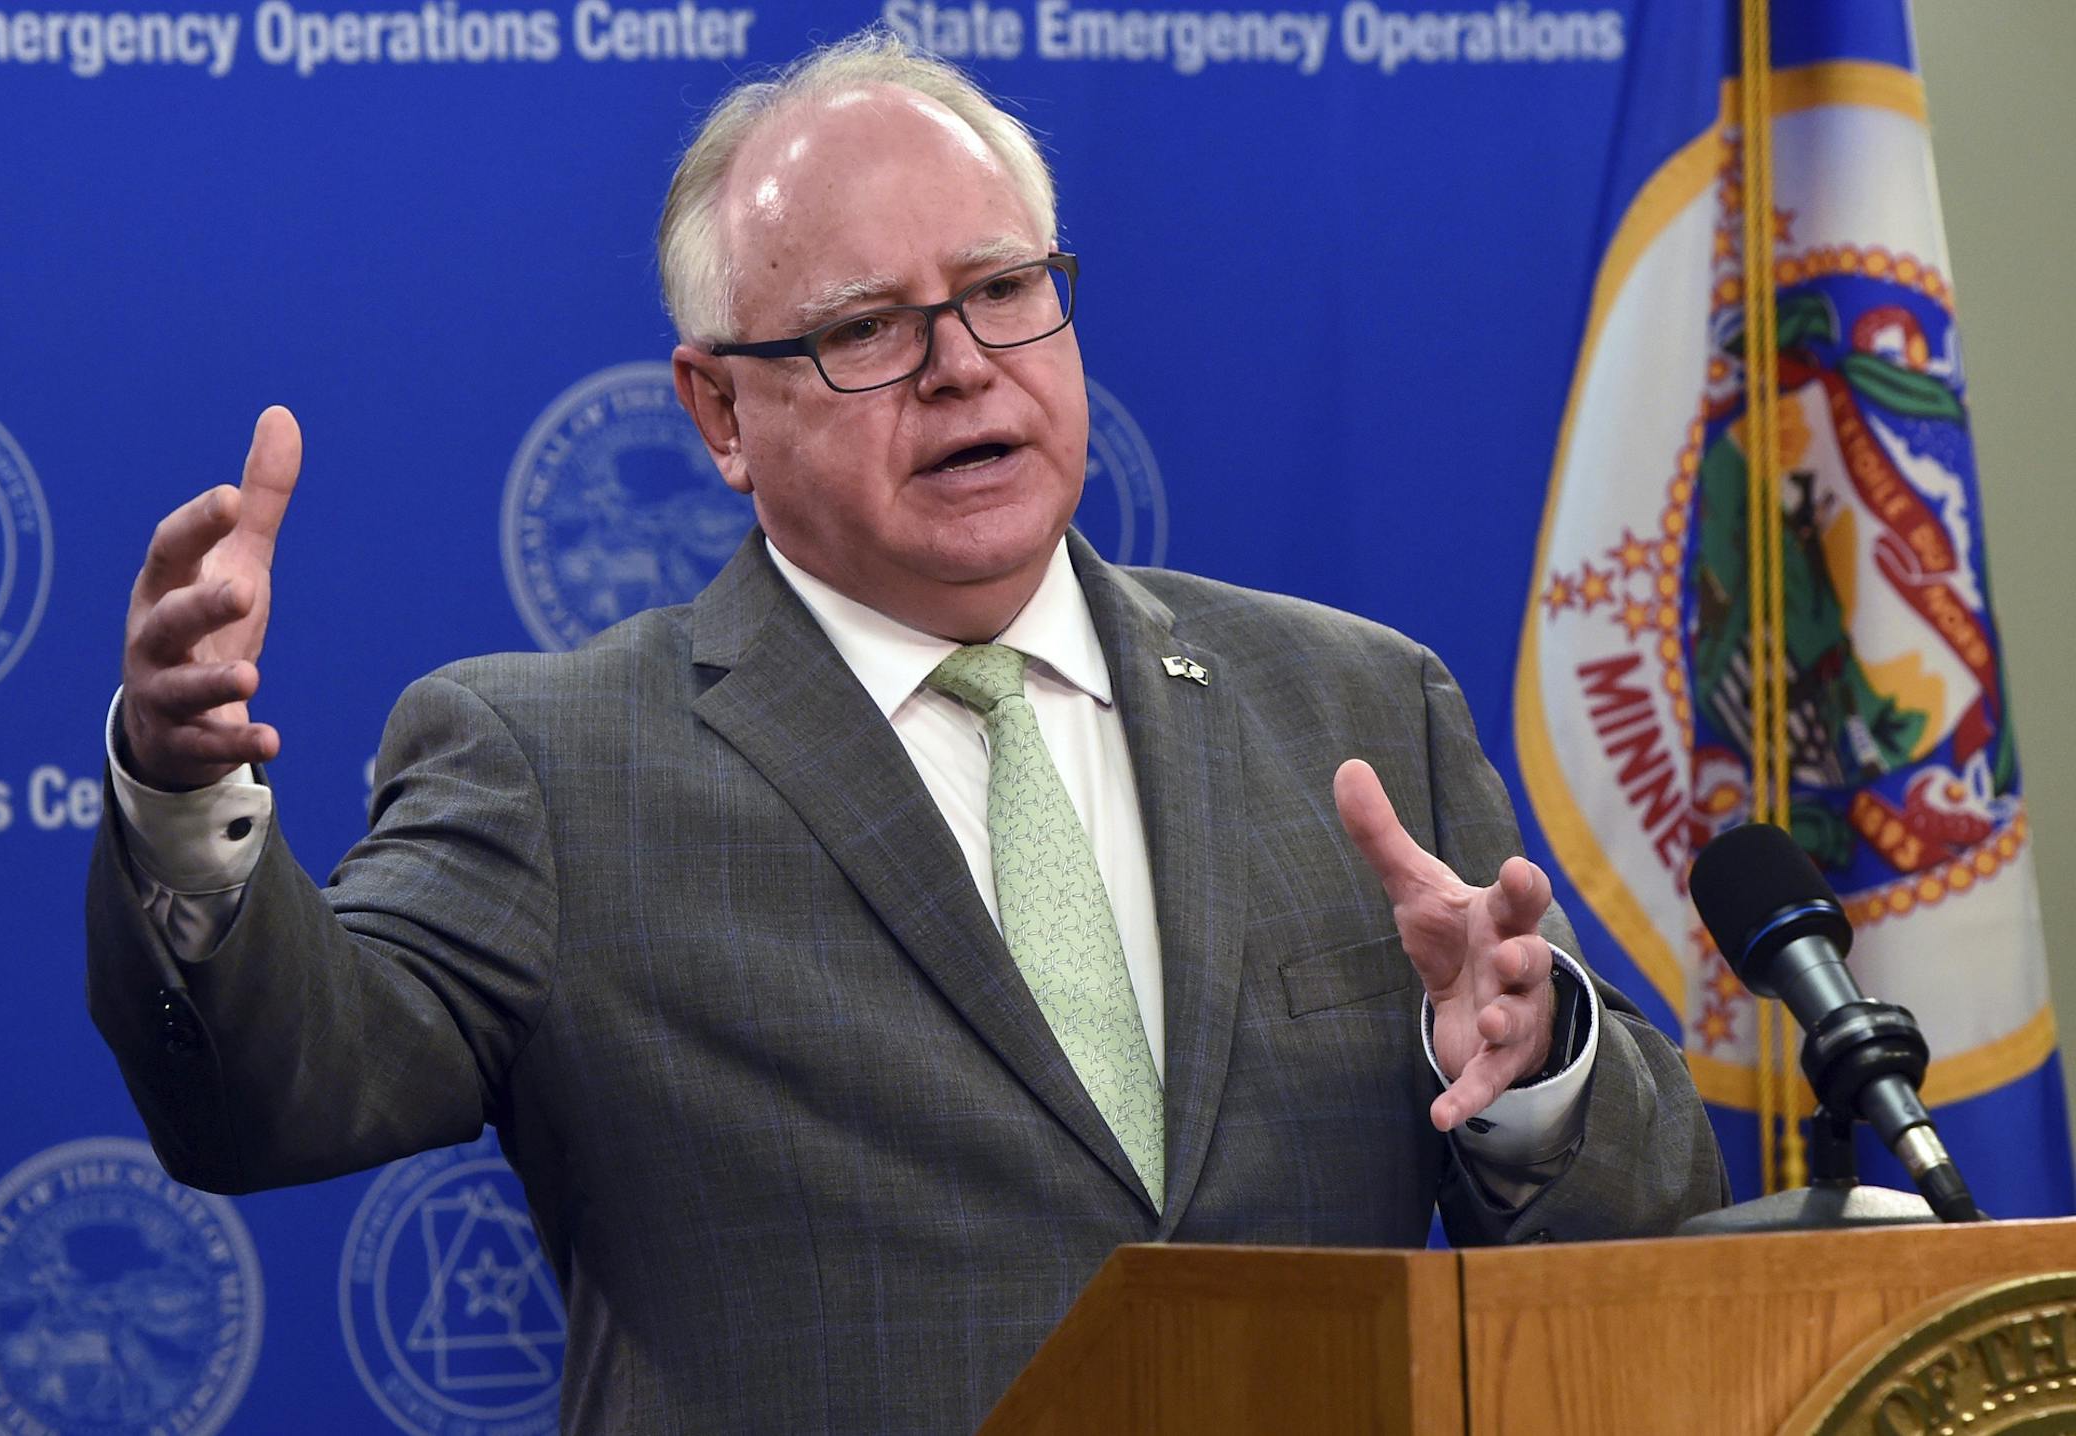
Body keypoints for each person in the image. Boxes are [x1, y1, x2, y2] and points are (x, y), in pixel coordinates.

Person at [88, 33, 1726, 1431]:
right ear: (721, 412)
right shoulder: (554, 767)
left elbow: (1642, 1240)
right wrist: (180, 790)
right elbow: (276, 1099)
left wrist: (1533, 1075)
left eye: (1006, 290)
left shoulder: (1357, 706)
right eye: (869, 327)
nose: (962, 369)